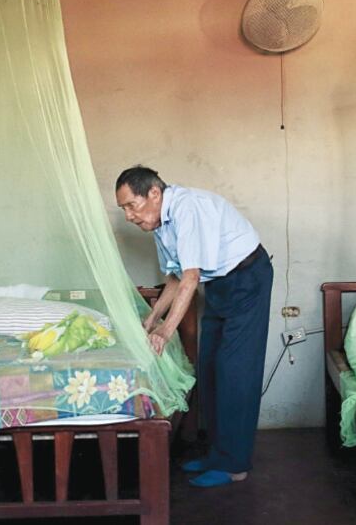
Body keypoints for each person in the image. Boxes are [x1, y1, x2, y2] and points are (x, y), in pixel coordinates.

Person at [115, 165, 273, 488]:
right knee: (211, 366)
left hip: (247, 279)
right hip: (220, 284)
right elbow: (174, 275)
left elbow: (190, 277)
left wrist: (164, 331)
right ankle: (217, 454)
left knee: (235, 371)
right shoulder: (160, 224)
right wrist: (153, 317)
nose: (129, 216)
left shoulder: (187, 208)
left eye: (131, 205)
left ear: (154, 194)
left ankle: (234, 464)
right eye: (124, 209)